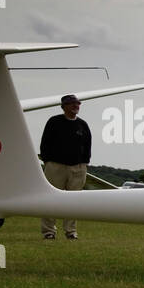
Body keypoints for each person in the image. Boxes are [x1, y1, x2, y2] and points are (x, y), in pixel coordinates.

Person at [39, 94, 92, 239]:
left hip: (78, 167)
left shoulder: (82, 124)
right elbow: (45, 143)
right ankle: (49, 231)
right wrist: (48, 161)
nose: (76, 106)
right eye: (72, 103)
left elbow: (87, 145)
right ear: (64, 106)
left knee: (74, 201)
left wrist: (84, 163)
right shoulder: (54, 122)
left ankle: (71, 231)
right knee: (50, 199)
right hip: (55, 166)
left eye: (77, 103)